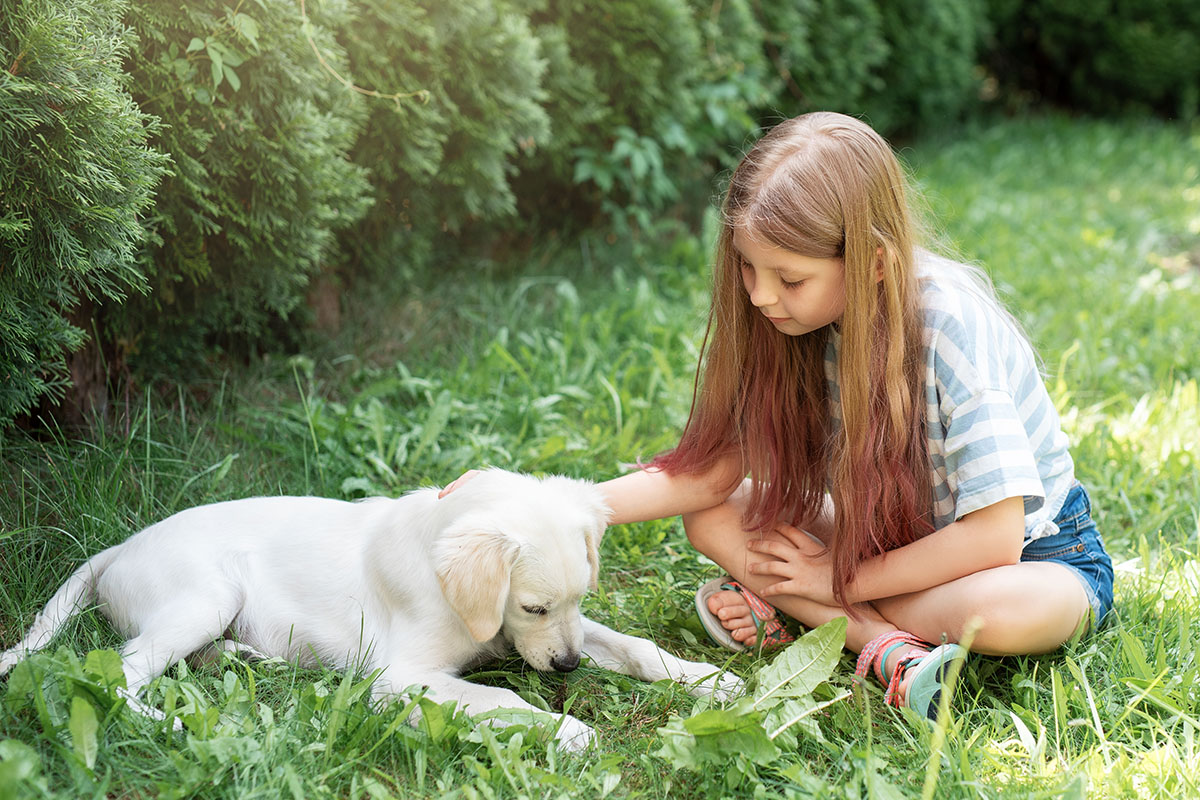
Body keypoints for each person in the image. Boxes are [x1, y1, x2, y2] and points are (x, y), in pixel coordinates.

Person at [441, 111, 1114, 719]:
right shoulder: (792, 327)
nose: (761, 296)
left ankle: (817, 618)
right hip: (880, 538)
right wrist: (542, 504)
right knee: (714, 513)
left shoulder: (951, 328)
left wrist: (834, 577)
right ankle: (883, 646)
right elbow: (706, 477)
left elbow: (993, 539)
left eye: (789, 278)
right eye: (748, 269)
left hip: (1028, 557)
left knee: (998, 616)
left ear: (873, 263)